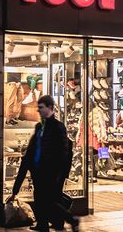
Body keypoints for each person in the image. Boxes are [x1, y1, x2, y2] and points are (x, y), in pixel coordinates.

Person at [7, 95, 79, 232]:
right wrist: (16, 187)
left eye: (41, 107)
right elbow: (31, 152)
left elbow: (63, 153)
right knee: (44, 199)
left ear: (50, 108)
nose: (38, 110)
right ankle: (46, 224)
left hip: (50, 173)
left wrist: (59, 175)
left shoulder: (58, 127)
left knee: (46, 200)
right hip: (39, 171)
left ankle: (68, 219)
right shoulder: (40, 127)